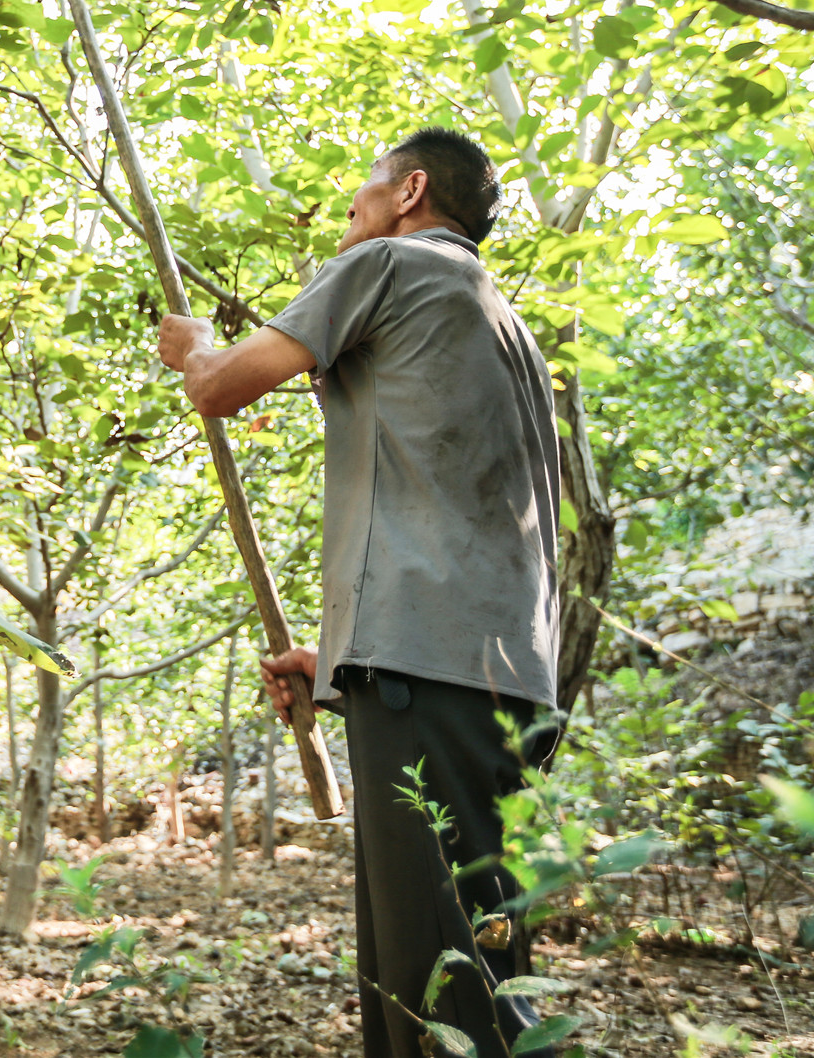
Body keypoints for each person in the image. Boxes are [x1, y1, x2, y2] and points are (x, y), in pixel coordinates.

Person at [154, 127, 563, 1058]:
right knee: (477, 956)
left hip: (435, 677)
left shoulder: (392, 262)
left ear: (410, 192)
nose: (351, 217)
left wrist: (193, 349)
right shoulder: (498, 320)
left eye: (360, 197)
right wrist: (345, 661)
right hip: (501, 680)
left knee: (434, 990)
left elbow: (222, 387)